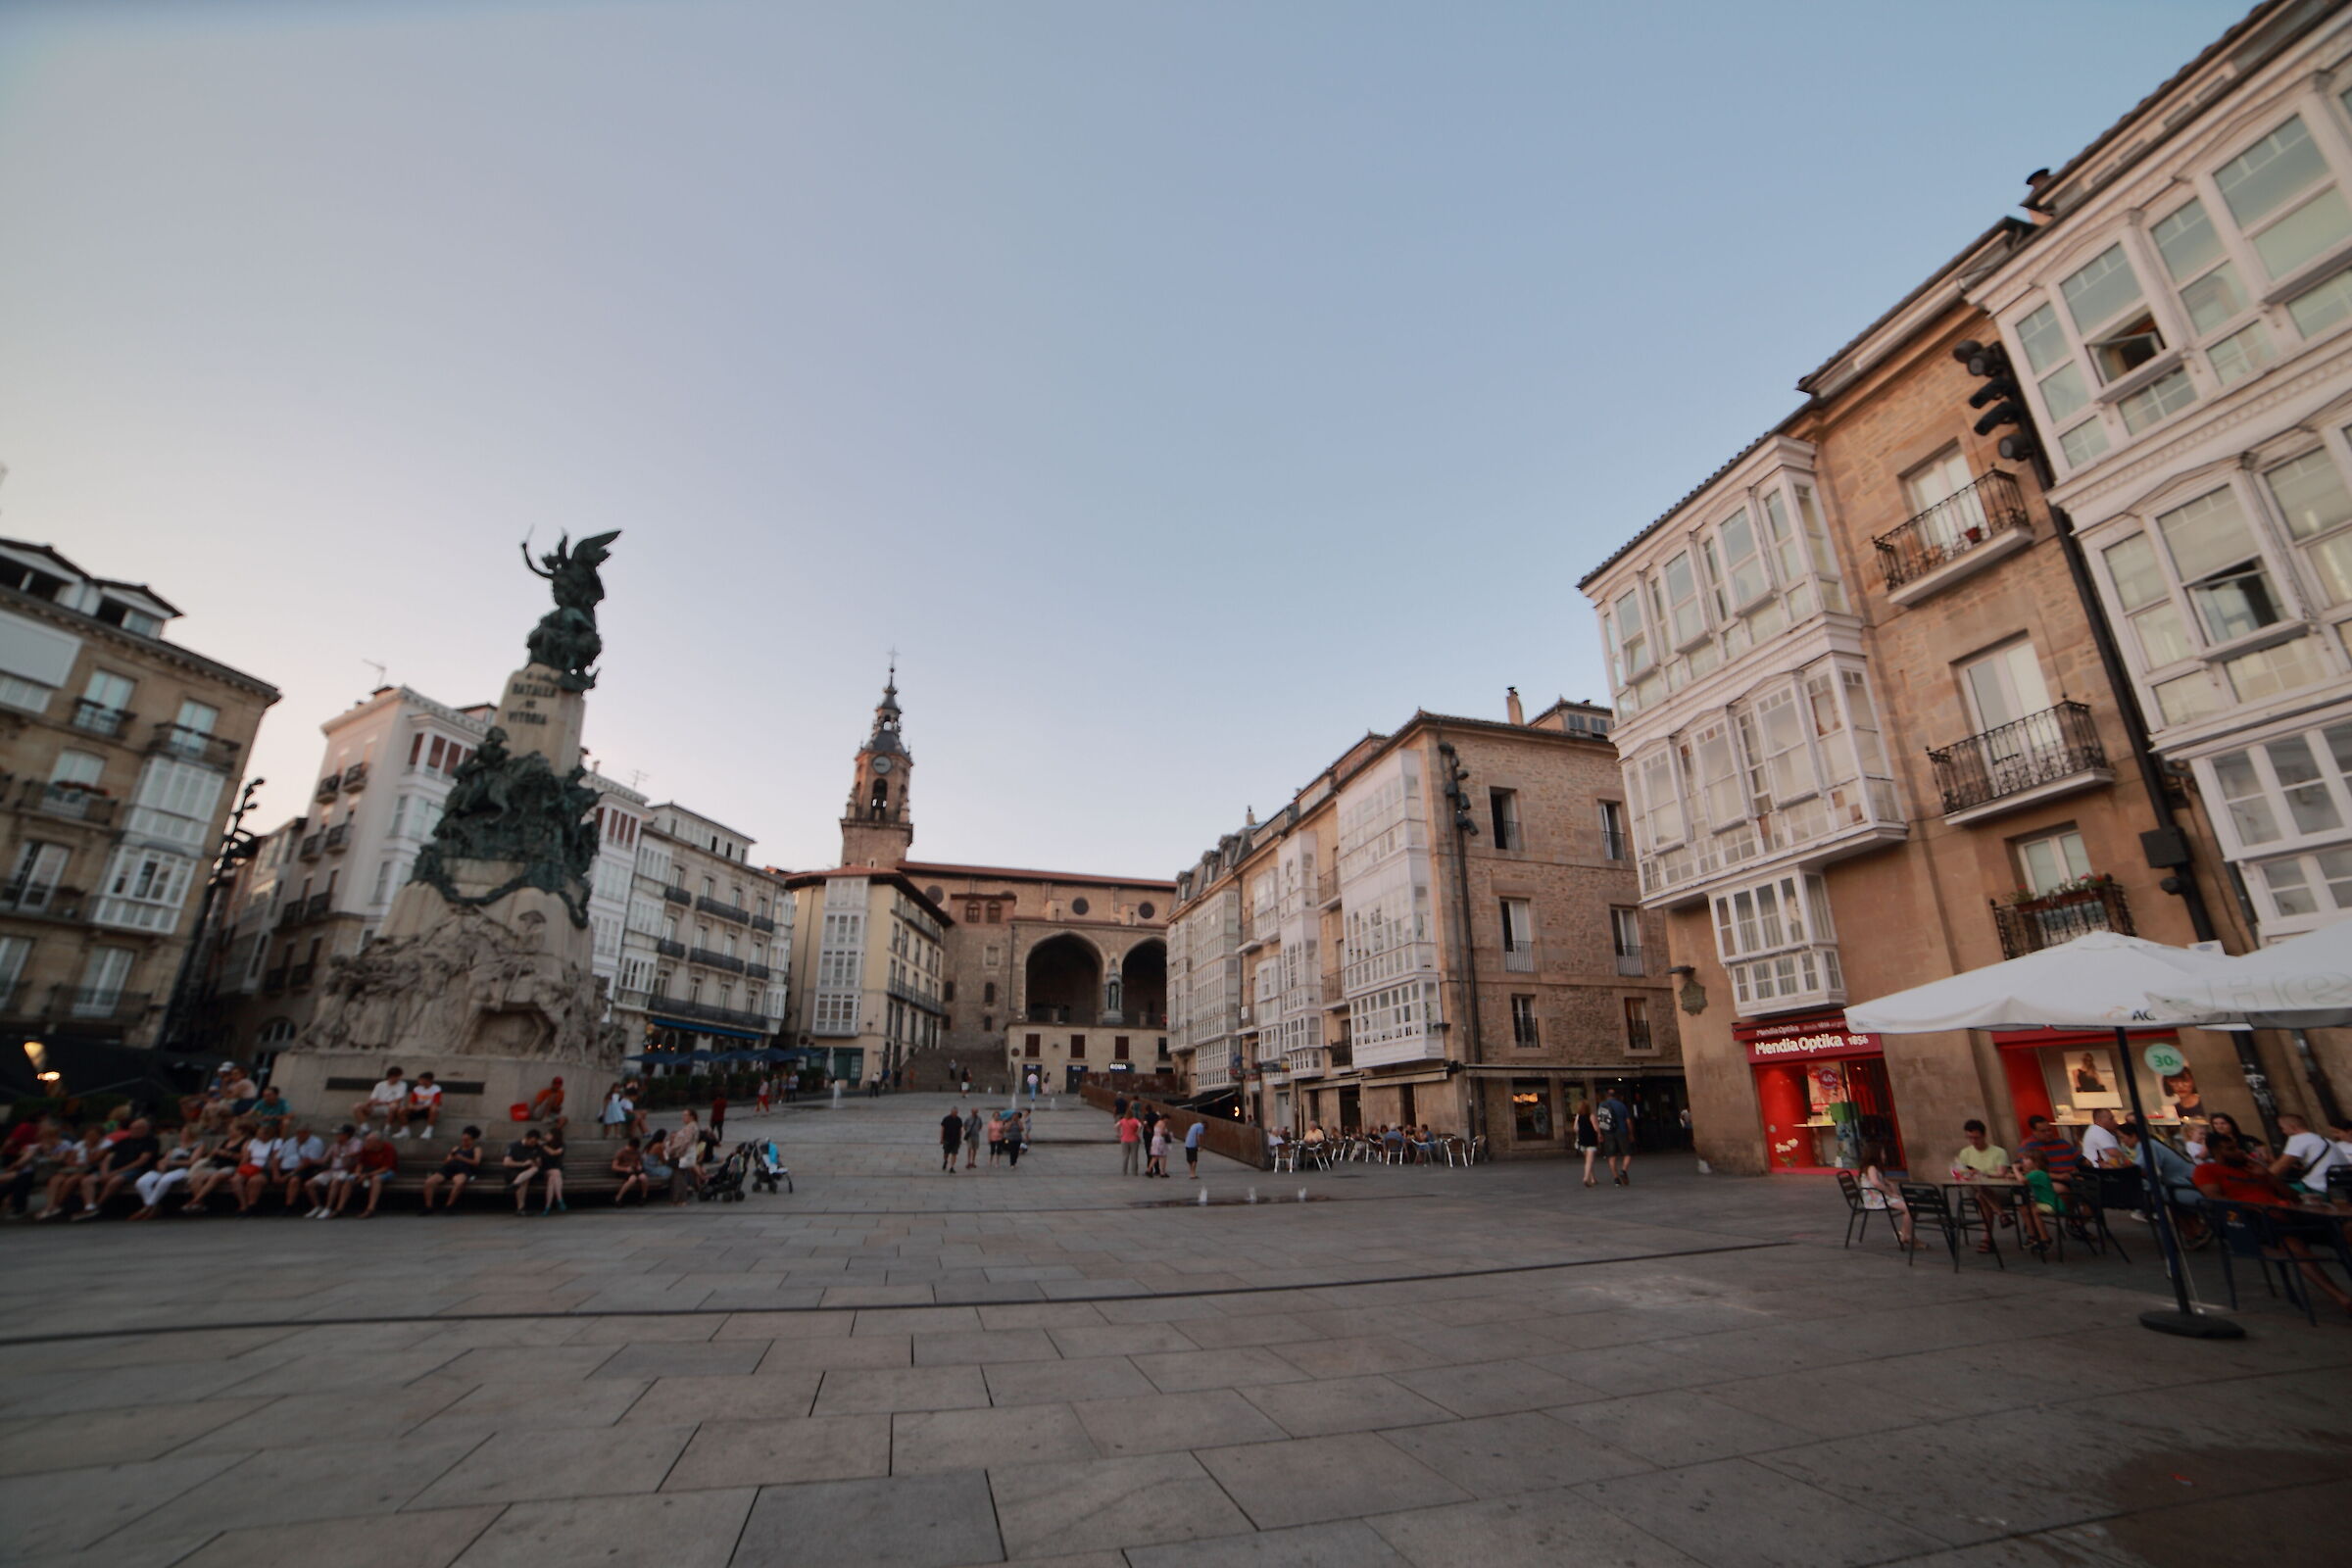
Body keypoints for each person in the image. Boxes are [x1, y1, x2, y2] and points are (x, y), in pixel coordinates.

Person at [2193, 1132, 2352, 1315]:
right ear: (2217, 1152)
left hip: (2289, 1213)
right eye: (2231, 1149)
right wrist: (2255, 1207)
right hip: (2255, 1220)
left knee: (2345, 1229)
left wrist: (2268, 1176)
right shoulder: (2206, 1170)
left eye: (2237, 1147)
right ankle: (2342, 1298)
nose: (2238, 1152)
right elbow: (2214, 1197)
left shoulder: (2252, 1169)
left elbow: (2292, 1196)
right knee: (2294, 1246)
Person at [71, 1117, 159, 1221]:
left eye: (136, 1129)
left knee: (115, 1181)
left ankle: (98, 1205)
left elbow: (141, 1161)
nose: (132, 1131)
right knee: (87, 1180)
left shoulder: (151, 1141)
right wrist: (105, 1172)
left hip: (133, 1170)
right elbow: (108, 1158)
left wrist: (117, 1172)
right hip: (112, 1169)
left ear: (145, 1129)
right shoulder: (123, 1142)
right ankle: (89, 1206)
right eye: (132, 1129)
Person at [1951, 1119, 2015, 1253]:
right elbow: (1962, 1172)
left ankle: (1987, 1237)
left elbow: (2002, 1173)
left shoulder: (1999, 1152)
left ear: (1984, 1135)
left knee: (1981, 1195)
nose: (1974, 1141)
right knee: (1979, 1190)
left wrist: (1982, 1173)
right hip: (1975, 1189)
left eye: (1976, 1138)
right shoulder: (1965, 1153)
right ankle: (2001, 1214)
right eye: (1970, 1138)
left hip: (1998, 1190)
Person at [129, 1125, 212, 1220]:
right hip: (167, 1168)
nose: (181, 1134)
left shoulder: (198, 1145)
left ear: (191, 1134)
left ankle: (147, 1207)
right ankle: (154, 1206)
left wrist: (171, 1162)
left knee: (165, 1180)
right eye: (182, 1132)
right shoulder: (176, 1144)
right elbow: (166, 1158)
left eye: (184, 1133)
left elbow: (192, 1161)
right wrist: (161, 1164)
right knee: (142, 1182)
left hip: (182, 1169)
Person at [1853, 1141, 1917, 1249]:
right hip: (1877, 1199)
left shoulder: (1875, 1168)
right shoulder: (1871, 1168)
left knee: (1911, 1207)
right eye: (1883, 1153)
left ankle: (1904, 1232)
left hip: (1880, 1197)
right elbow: (1876, 1182)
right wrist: (1890, 1193)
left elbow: (1884, 1181)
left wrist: (1890, 1185)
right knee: (1909, 1208)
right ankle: (1906, 1235)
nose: (1885, 1156)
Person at [420, 1127, 484, 1211]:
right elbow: (446, 1161)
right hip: (448, 1169)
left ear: (472, 1140)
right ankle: (428, 1206)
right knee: (429, 1182)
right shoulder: (456, 1148)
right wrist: (450, 1158)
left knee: (459, 1182)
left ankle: (449, 1206)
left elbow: (476, 1162)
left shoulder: (476, 1149)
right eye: (463, 1139)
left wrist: (461, 1158)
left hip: (463, 1170)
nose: (464, 1142)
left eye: (467, 1140)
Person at [306, 1126, 364, 1219]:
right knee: (309, 1184)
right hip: (333, 1170)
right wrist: (311, 1161)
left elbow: (357, 1153)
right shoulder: (335, 1145)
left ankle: (328, 1208)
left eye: (339, 1134)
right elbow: (324, 1160)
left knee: (335, 1182)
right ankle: (317, 1206)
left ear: (346, 1135)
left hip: (346, 1170)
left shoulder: (356, 1143)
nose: (337, 1136)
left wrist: (344, 1154)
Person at [273, 1123, 328, 1213]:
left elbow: (308, 1162)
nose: (300, 1135)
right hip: (284, 1167)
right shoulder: (290, 1141)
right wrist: (276, 1173)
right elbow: (277, 1158)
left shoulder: (316, 1142)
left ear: (308, 1133)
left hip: (303, 1168)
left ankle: (289, 1205)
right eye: (298, 1133)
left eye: (303, 1133)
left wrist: (287, 1176)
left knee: (294, 1180)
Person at [2276, 1113, 2339, 1188]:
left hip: (2319, 1186)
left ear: (2292, 1127)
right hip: (2338, 1183)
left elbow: (2282, 1165)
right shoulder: (2325, 1140)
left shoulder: (2298, 1138)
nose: (2283, 1132)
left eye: (2283, 1128)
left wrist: (2264, 1179)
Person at [2018, 1115, 2081, 1189]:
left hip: (2073, 1178)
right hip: (2049, 1180)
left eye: (2049, 1130)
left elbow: (2081, 1160)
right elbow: (2027, 1171)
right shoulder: (2027, 1146)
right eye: (2043, 1131)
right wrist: (2058, 1177)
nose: (2048, 1133)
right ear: (2034, 1132)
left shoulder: (2062, 1143)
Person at [2016, 1150, 2060, 1254]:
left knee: (2034, 1211)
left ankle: (2045, 1238)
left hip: (2052, 1204)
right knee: (2024, 1209)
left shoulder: (2037, 1173)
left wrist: (2015, 1169)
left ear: (2036, 1162)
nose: (2023, 1161)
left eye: (2026, 1159)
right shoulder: (2035, 1173)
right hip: (2044, 1202)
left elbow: (2022, 1180)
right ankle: (2032, 1235)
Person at [347, 1133, 397, 1217]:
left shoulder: (389, 1148)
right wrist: (357, 1174)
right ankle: (339, 1208)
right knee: (349, 1180)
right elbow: (360, 1163)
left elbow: (386, 1168)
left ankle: (370, 1209)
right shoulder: (366, 1148)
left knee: (376, 1179)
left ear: (377, 1142)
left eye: (368, 1141)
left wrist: (367, 1175)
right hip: (369, 1170)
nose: (366, 1143)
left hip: (386, 1171)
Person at [356, 1067, 411, 1137]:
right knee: (357, 1106)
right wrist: (377, 1102)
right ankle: (365, 1129)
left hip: (393, 1109)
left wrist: (381, 1102)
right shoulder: (380, 1085)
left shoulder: (402, 1084)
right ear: (390, 1076)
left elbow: (398, 1100)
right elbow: (372, 1099)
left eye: (399, 1076)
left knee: (393, 1106)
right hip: (377, 1108)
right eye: (396, 1076)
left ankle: (387, 1129)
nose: (398, 1078)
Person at [1597, 1090, 1635, 1186]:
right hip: (1621, 1131)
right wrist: (1630, 1133)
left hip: (1608, 1132)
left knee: (1611, 1156)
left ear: (1607, 1096)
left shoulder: (1602, 1105)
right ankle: (1623, 1170)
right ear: (1615, 1096)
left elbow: (1600, 1120)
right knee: (1627, 1153)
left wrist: (1600, 1134)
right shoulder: (1621, 1105)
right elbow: (1628, 1121)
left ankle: (1616, 1178)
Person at [535, 1127, 567, 1214]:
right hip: (546, 1170)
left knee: (552, 1179)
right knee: (555, 1173)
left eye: (548, 1134)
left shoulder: (561, 1145)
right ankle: (560, 1200)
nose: (546, 1136)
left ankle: (547, 1207)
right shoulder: (541, 1146)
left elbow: (554, 1153)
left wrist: (543, 1146)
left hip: (557, 1170)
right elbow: (538, 1160)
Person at [405, 1072, 444, 1140]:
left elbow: (436, 1103)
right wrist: (413, 1107)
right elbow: (411, 1102)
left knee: (434, 1108)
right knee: (401, 1110)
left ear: (427, 1080)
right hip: (417, 1109)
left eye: (421, 1080)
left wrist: (422, 1107)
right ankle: (404, 1130)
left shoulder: (436, 1088)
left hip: (428, 1109)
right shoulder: (417, 1089)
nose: (419, 1082)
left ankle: (428, 1131)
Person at [1571, 1101, 1601, 1188]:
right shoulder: (1591, 1116)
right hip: (1591, 1140)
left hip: (1582, 1140)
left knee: (1588, 1160)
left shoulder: (1578, 1116)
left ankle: (1593, 1178)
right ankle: (1586, 1178)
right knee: (1589, 1160)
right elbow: (1596, 1128)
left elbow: (1575, 1128)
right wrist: (1599, 1134)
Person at [612, 1137, 649, 1204]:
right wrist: (625, 1169)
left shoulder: (637, 1152)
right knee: (633, 1179)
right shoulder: (621, 1152)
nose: (634, 1150)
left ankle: (643, 1196)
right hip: (624, 1170)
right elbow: (614, 1167)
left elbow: (638, 1162)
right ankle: (618, 1197)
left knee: (643, 1177)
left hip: (634, 1169)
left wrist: (639, 1166)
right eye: (633, 1149)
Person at [1117, 1108, 1143, 1176]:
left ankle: (1124, 1171)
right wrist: (1137, 1132)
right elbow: (1140, 1125)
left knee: (1125, 1156)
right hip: (1134, 1139)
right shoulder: (1135, 1120)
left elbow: (1116, 1125)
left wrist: (1120, 1133)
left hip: (1124, 1140)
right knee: (1134, 1156)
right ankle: (1134, 1172)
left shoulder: (1123, 1120)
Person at [940, 1105, 964, 1174]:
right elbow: (942, 1129)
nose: (955, 1114)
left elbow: (960, 1130)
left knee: (954, 1153)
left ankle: (952, 1167)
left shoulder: (959, 1120)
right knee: (946, 1153)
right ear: (951, 1112)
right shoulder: (946, 1119)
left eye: (956, 1112)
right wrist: (941, 1138)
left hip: (956, 1140)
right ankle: (945, 1161)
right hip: (947, 1139)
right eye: (954, 1112)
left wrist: (960, 1139)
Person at [963, 1105, 983, 1169]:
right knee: (969, 1148)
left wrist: (977, 1131)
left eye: (976, 1112)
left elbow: (980, 1126)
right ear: (971, 1112)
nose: (975, 1113)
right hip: (969, 1136)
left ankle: (973, 1162)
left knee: (975, 1149)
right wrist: (967, 1131)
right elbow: (965, 1125)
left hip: (976, 1136)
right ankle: (969, 1161)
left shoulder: (979, 1118)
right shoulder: (968, 1118)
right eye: (974, 1112)